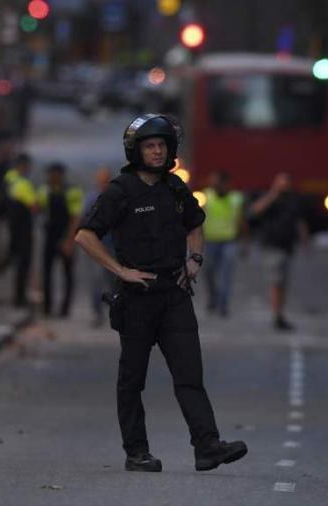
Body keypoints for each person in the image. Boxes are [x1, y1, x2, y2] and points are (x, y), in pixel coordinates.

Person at [75, 113, 247, 473]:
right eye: (150, 146)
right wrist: (121, 271)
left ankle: (207, 446)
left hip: (174, 295)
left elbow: (195, 225)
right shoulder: (120, 191)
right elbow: (85, 237)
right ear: (135, 150)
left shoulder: (174, 187)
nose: (157, 151)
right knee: (131, 380)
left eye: (162, 145)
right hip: (137, 298)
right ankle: (137, 452)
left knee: (189, 375)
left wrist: (195, 259)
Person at [248, 173, 309, 330]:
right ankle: (276, 315)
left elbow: (300, 221)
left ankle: (279, 313)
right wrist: (273, 194)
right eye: (281, 183)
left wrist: (304, 242)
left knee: (283, 283)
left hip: (287, 247)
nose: (284, 186)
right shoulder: (270, 199)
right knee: (276, 282)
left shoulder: (293, 201)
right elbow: (254, 211)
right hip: (272, 246)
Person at [38, 162, 84, 317]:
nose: (51, 177)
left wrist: (69, 240)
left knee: (68, 274)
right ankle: (47, 307)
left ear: (60, 175)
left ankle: (65, 308)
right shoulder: (45, 190)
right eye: (49, 174)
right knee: (47, 273)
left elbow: (76, 217)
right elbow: (38, 208)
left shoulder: (72, 191)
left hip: (66, 235)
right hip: (50, 236)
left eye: (53, 174)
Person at [201, 171, 246, 317]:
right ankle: (213, 297)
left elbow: (242, 222)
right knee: (209, 272)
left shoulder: (236, 199)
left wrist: (245, 242)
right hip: (210, 241)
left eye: (216, 183)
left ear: (225, 184)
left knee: (226, 275)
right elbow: (197, 220)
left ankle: (223, 304)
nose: (213, 186)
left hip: (229, 241)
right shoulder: (206, 196)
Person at [3, 153, 37, 307]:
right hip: (23, 230)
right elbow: (34, 207)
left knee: (14, 260)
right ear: (23, 166)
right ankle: (19, 298)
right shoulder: (23, 184)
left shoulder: (9, 178)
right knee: (23, 264)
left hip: (10, 226)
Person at [83, 166, 114, 327]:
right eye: (102, 181)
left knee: (114, 280)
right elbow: (84, 223)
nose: (104, 184)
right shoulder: (90, 199)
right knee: (96, 281)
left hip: (113, 247)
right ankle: (97, 313)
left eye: (106, 181)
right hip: (97, 247)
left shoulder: (117, 199)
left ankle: (115, 311)